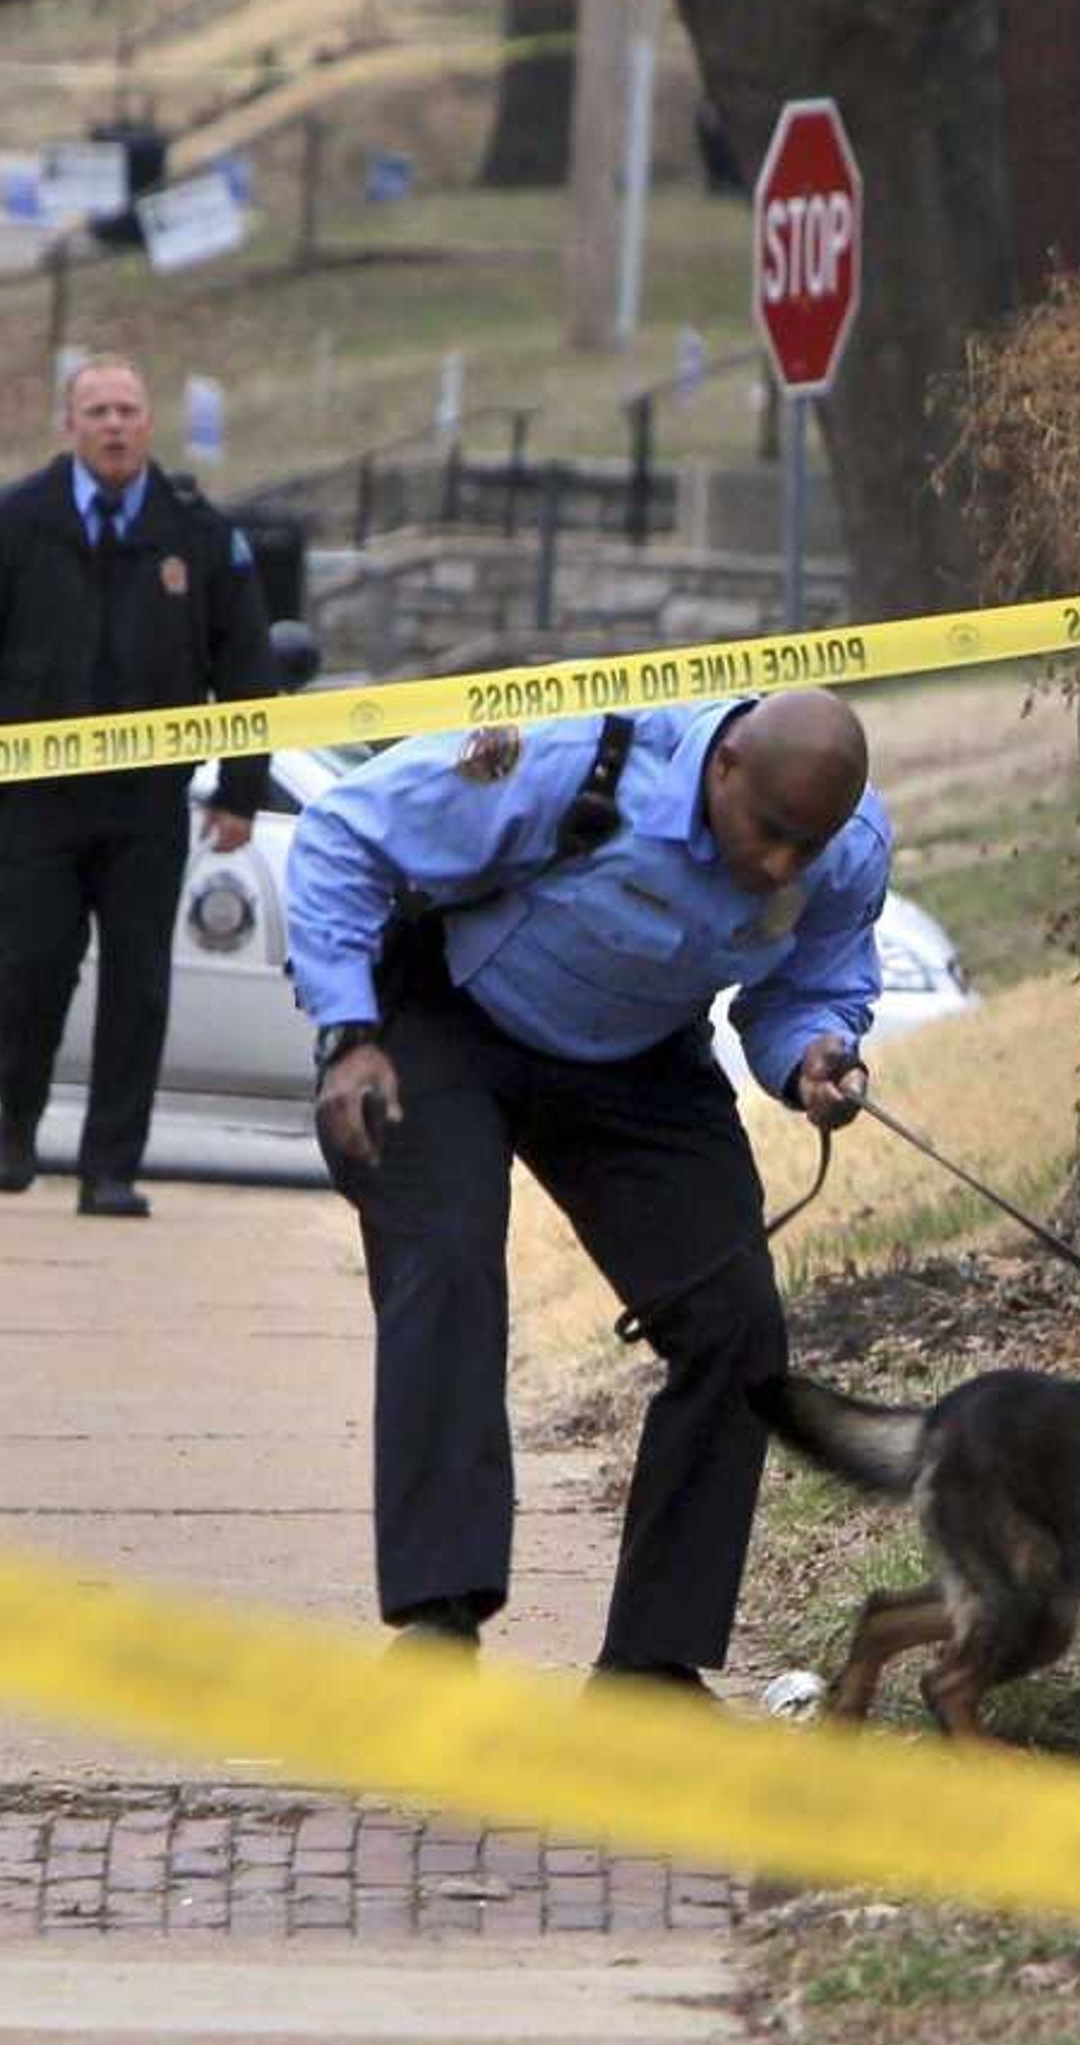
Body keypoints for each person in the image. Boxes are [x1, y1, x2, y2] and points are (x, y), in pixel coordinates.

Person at [282, 690, 889, 1692]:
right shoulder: (576, 758)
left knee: (737, 1325)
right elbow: (343, 832)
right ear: (724, 766)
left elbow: (804, 991)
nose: (784, 864)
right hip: (449, 1017)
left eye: (807, 844)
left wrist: (815, 1058)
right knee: (450, 1264)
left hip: (640, 1057)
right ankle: (439, 1623)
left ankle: (651, 1667)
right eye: (770, 832)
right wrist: (348, 1030)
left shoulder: (849, 849)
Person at [0, 353, 276, 1218]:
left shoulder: (197, 533)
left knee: (139, 986)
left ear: (149, 424)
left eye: (127, 410)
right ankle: (17, 1117)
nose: (114, 425)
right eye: (97, 411)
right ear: (68, 427)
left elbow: (248, 660)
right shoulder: (8, 525)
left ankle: (111, 1165)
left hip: (148, 803)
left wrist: (241, 789)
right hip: (38, 799)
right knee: (32, 974)